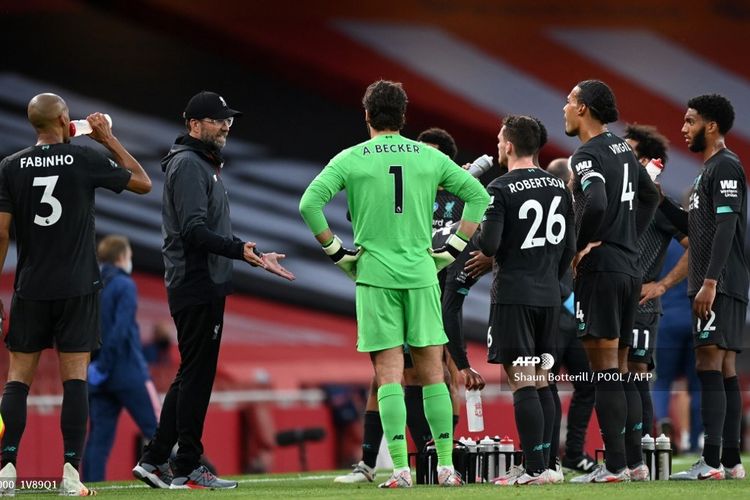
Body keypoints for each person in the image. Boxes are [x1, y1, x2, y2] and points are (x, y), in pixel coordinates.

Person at [300, 80, 489, 488]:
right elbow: (477, 195)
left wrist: (339, 254)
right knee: (433, 375)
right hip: (422, 275)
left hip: (375, 276)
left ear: (367, 115)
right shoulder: (427, 156)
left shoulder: (350, 159)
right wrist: (453, 248)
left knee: (388, 375)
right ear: (404, 117)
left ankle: (400, 469)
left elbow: (309, 204)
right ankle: (445, 467)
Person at [133, 91, 295, 490]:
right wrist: (238, 250)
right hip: (196, 281)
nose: (226, 126)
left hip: (200, 280)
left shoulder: (199, 164)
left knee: (191, 375)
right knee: (197, 377)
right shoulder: (189, 165)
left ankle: (154, 460)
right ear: (193, 124)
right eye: (217, 119)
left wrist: (250, 252)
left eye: (228, 120)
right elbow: (194, 230)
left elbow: (211, 230)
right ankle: (187, 466)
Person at [0, 93, 152, 496]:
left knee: (17, 380)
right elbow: (142, 183)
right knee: (75, 380)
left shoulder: (10, 167)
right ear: (66, 120)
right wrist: (107, 140)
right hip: (78, 287)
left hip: (30, 287)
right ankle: (70, 474)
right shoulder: (83, 158)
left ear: (35, 124)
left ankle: (6, 470)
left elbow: (0, 231)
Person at [564, 80, 659, 483]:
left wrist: (580, 246)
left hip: (601, 271)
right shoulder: (622, 148)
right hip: (630, 268)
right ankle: (634, 462)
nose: (564, 108)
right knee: (620, 370)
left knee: (603, 370)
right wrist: (627, 238)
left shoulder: (586, 155)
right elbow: (652, 197)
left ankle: (616, 466)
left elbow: (597, 201)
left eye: (569, 101)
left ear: (583, 108)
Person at [476, 115, 574, 485]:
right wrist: (551, 276)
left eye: (501, 140)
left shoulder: (499, 188)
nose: (499, 146)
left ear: (510, 145)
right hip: (549, 295)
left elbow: (489, 245)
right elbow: (570, 249)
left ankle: (533, 468)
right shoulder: (560, 188)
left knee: (522, 381)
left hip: (515, 295)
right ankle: (548, 465)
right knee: (543, 379)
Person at [659, 94, 747, 480]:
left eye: (690, 121)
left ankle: (710, 460)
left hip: (720, 282)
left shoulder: (725, 166)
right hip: (719, 281)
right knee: (724, 367)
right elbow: (695, 227)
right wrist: (656, 198)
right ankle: (729, 460)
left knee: (708, 364)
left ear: (710, 126)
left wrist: (709, 282)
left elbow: (727, 226)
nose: (683, 128)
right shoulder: (706, 173)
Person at [622, 124, 688, 439]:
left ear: (647, 161)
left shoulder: (659, 202)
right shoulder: (610, 197)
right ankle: (620, 454)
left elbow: (697, 244)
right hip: (608, 300)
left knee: (636, 372)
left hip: (641, 304)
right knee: (610, 376)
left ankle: (640, 448)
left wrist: (662, 285)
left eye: (628, 152)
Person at [83, 235, 160, 482]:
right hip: (127, 371)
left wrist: (96, 366)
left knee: (98, 441)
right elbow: (122, 328)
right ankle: (182, 477)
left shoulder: (90, 283)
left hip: (98, 374)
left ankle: (92, 489)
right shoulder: (124, 285)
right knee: (159, 431)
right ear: (121, 257)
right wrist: (106, 363)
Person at [545, 157, 597, 475]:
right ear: (570, 181)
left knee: (549, 386)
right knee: (584, 384)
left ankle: (556, 456)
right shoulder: (573, 208)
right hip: (564, 311)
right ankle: (568, 453)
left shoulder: (552, 207)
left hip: (556, 311)